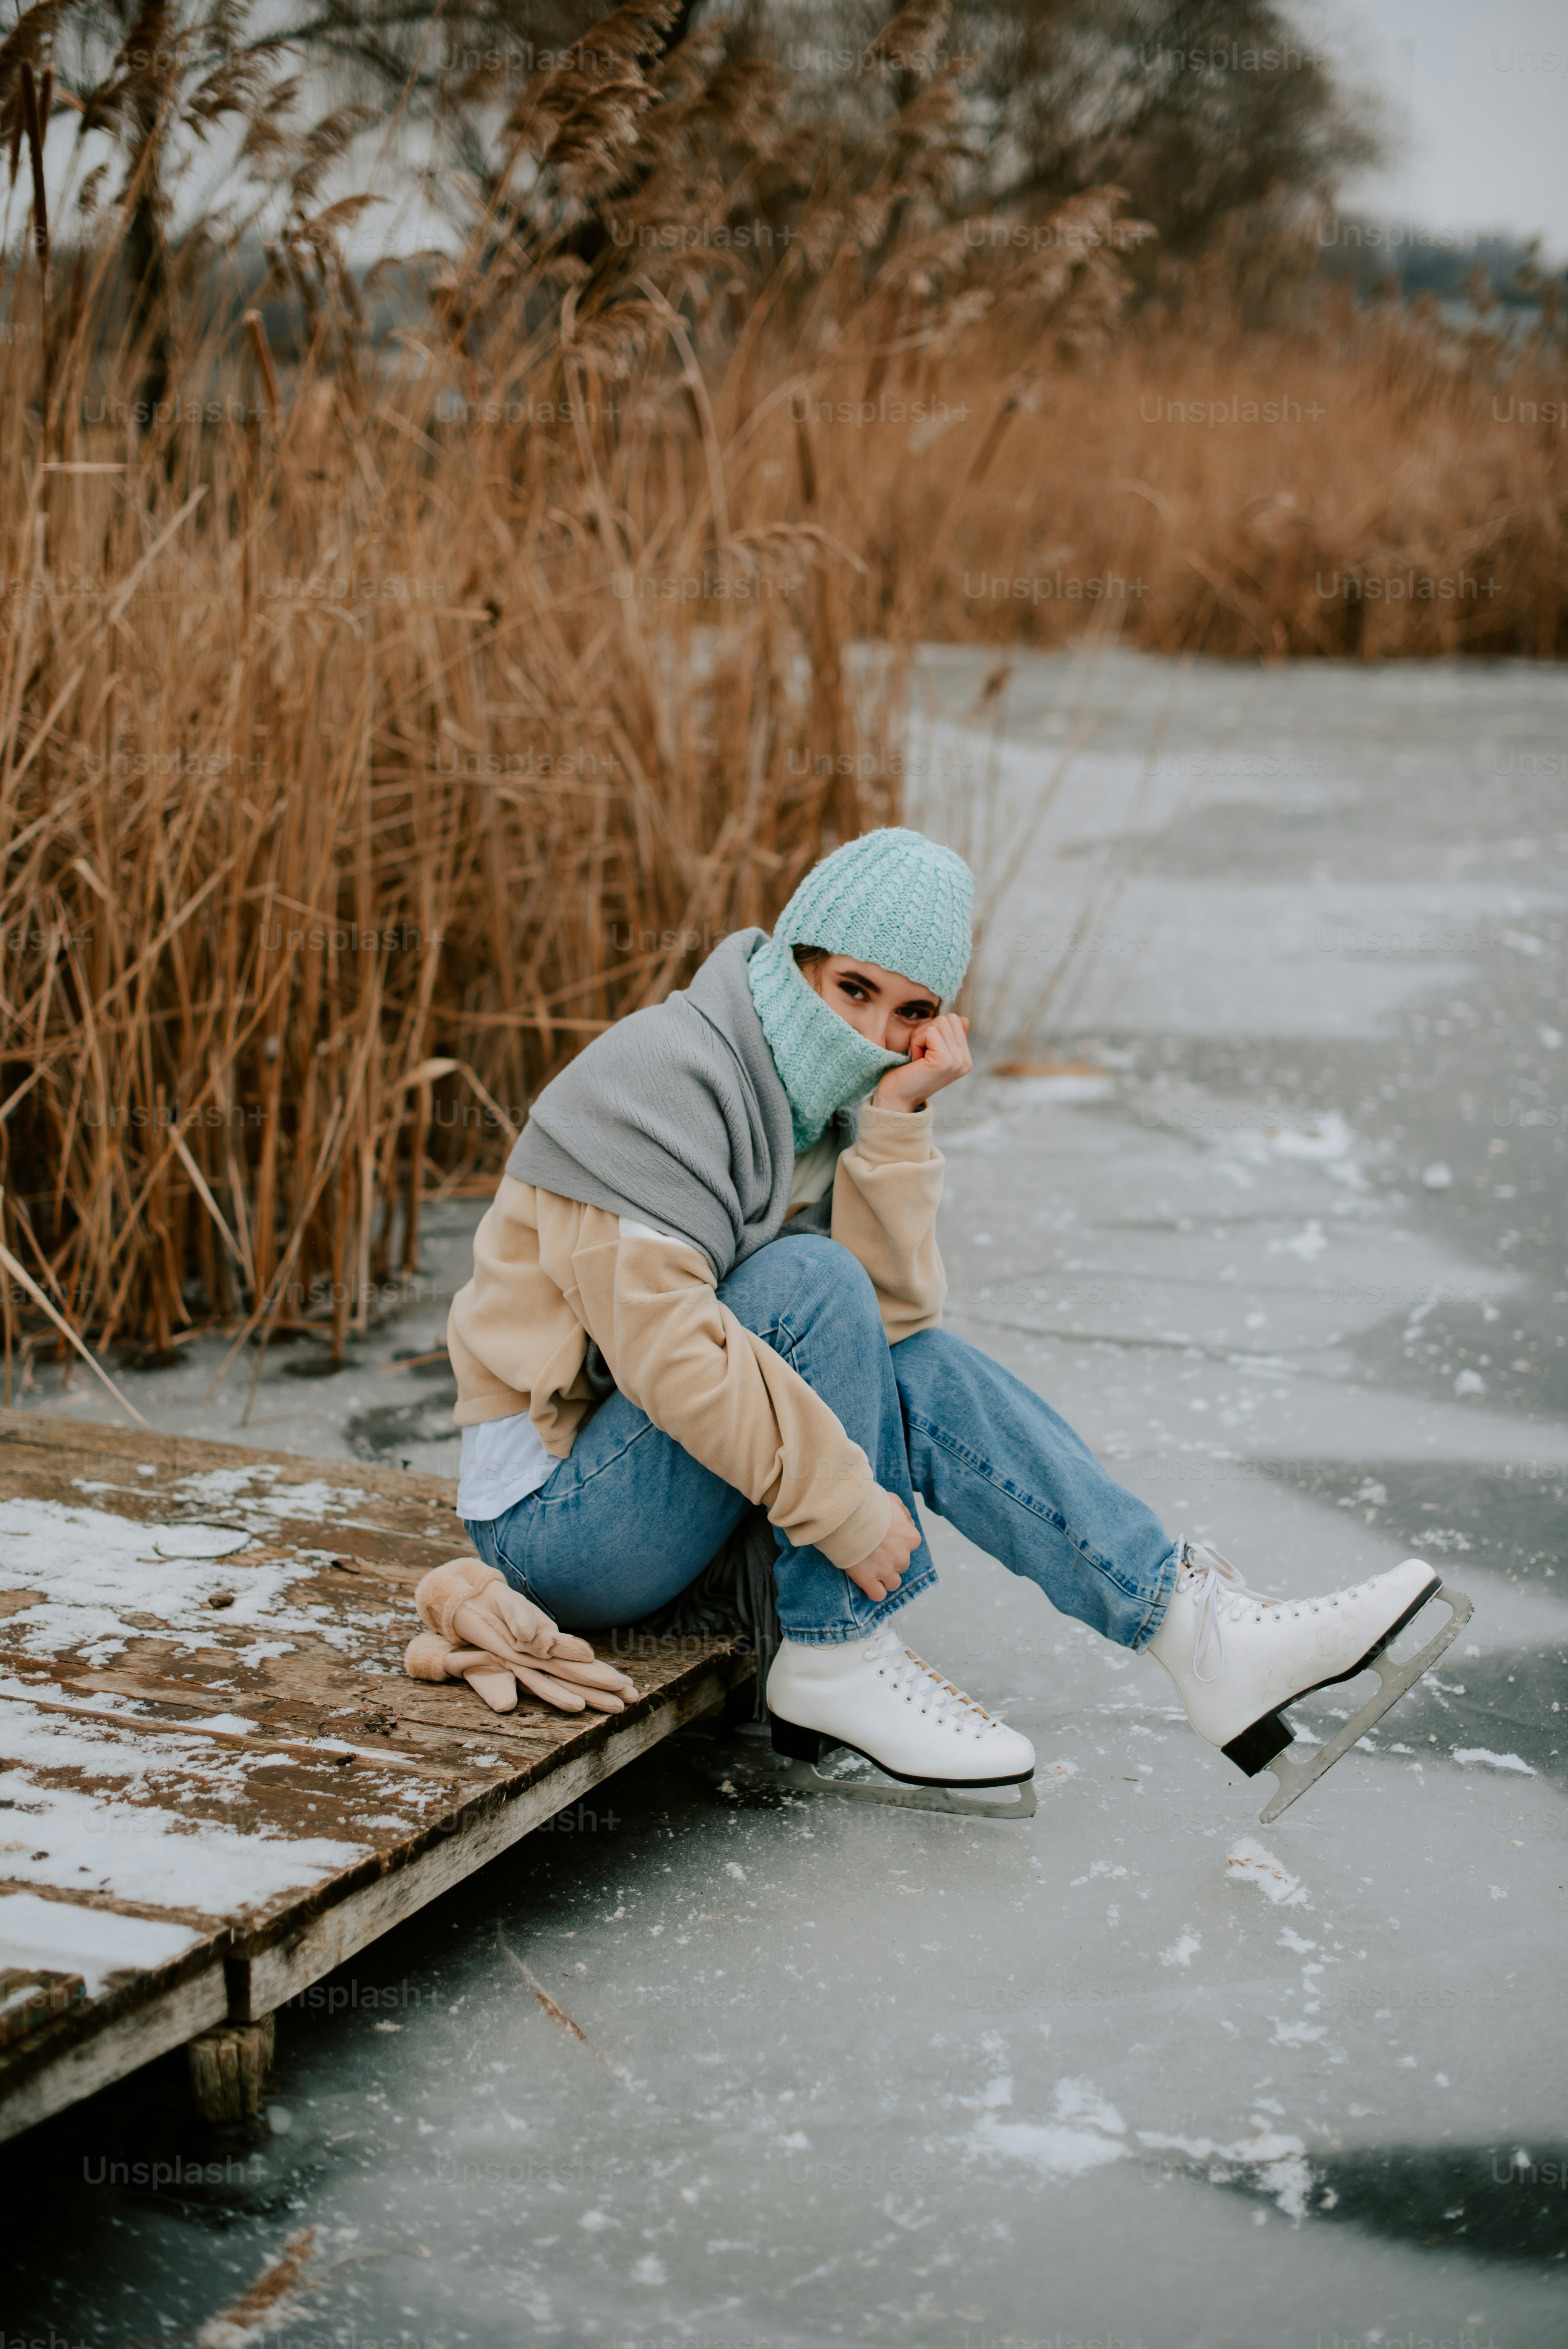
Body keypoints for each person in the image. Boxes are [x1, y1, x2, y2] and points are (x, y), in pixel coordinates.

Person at [439, 828, 1443, 1799]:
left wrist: (895, 1118)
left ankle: (1189, 1626)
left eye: (907, 1011)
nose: (871, 1035)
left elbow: (887, 1326)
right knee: (812, 1278)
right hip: (557, 1528)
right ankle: (839, 1654)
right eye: (852, 991)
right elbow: (670, 1358)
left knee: (887, 1340)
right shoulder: (657, 1080)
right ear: (796, 960)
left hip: (672, 1502)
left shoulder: (814, 1106)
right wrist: (844, 1505)